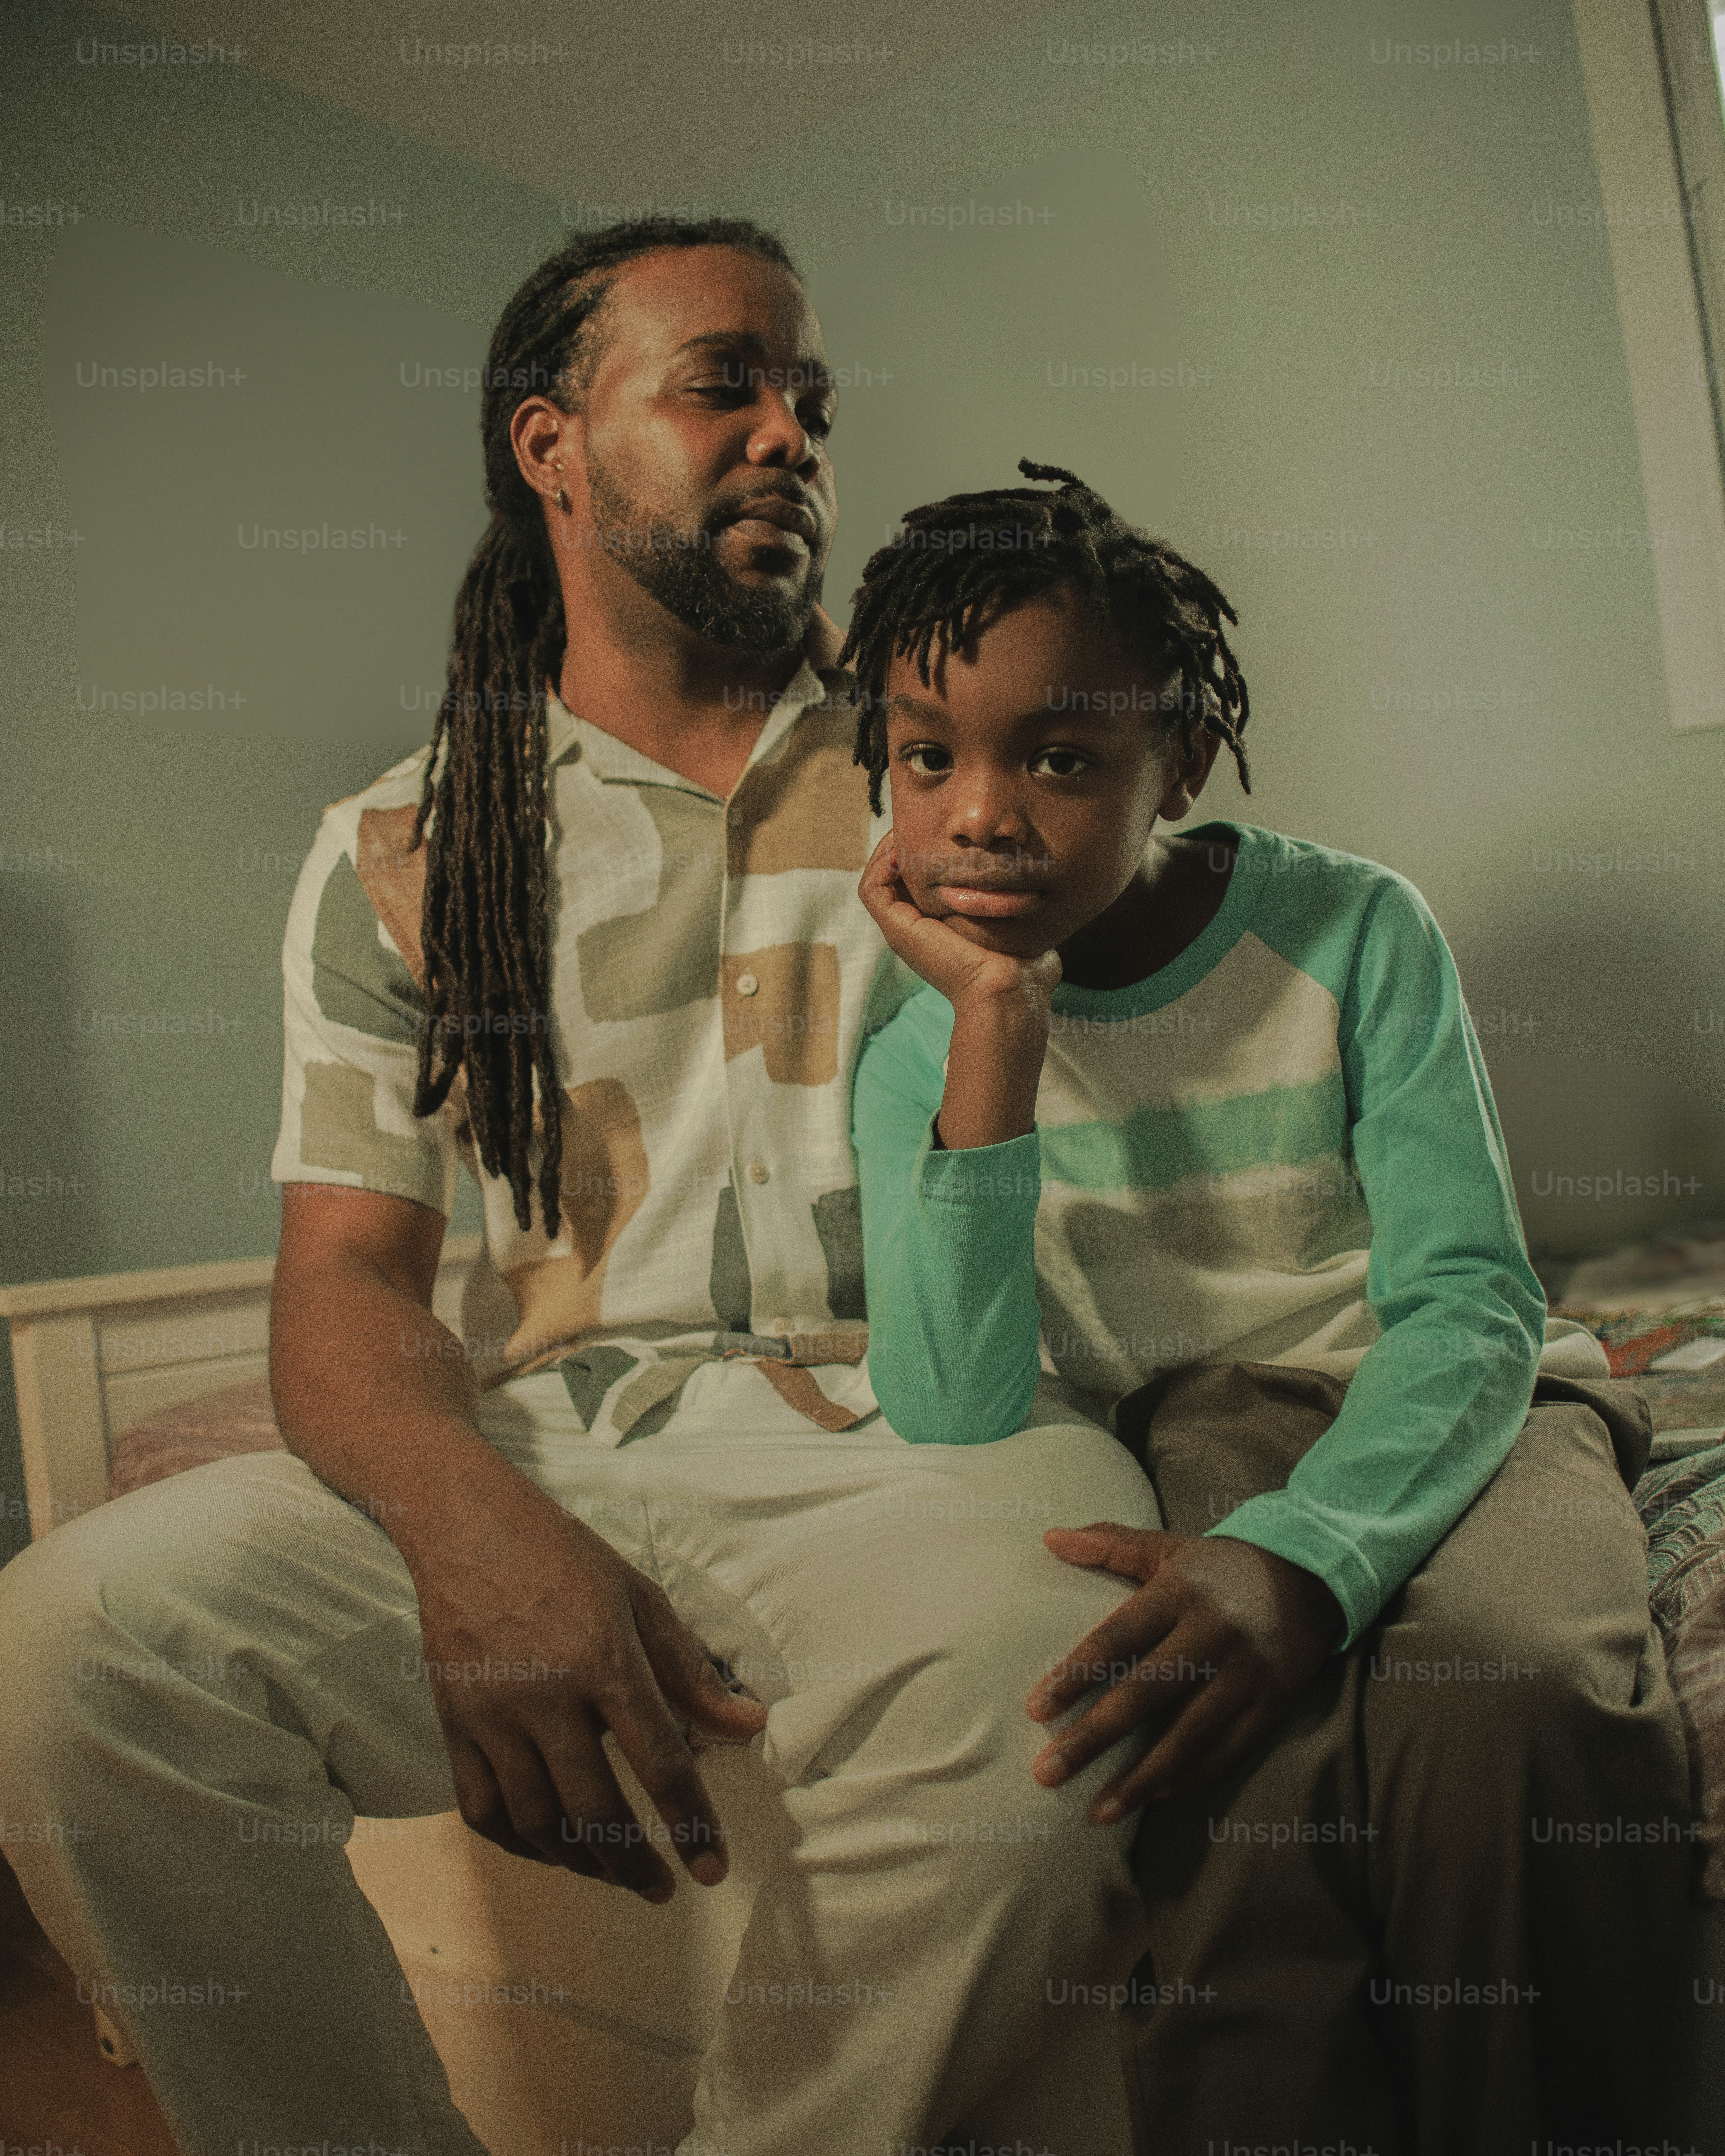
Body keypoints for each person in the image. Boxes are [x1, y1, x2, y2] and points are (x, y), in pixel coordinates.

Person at [0, 228, 1162, 2156]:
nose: (792, 431)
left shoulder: (955, 758)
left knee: (1047, 1733)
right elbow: (353, 1284)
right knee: (65, 1647)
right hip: (561, 1437)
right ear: (552, 444)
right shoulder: (405, 843)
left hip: (934, 1440)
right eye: (728, 383)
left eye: (814, 400)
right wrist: (475, 1533)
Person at [847, 460, 1698, 2156]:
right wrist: (996, 1046)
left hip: (1452, 1398)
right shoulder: (921, 1047)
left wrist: (1313, 1554)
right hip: (1186, 1429)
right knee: (1224, 1756)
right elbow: (949, 1407)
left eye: (1064, 757)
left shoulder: (1352, 928)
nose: (982, 815)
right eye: (929, 754)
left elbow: (1471, 1298)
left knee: (1513, 1691)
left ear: (1186, 763)